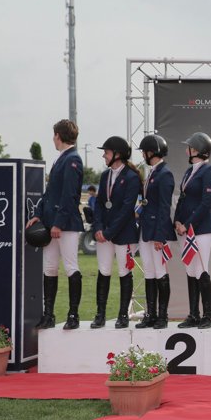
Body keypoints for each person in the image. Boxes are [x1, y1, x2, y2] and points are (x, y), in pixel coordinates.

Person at [26, 119, 84, 330]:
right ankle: (48, 315)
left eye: (54, 135)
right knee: (49, 267)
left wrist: (58, 223)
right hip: (51, 224)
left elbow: (70, 195)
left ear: (58, 136)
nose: (53, 139)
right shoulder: (60, 159)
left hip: (66, 225)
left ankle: (73, 315)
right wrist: (38, 215)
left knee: (70, 266)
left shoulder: (73, 159)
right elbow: (49, 194)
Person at [91, 136, 141, 329]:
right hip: (104, 233)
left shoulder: (131, 177)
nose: (104, 155)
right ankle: (100, 314)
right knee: (103, 271)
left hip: (123, 234)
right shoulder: (105, 176)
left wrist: (109, 232)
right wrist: (98, 228)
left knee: (124, 272)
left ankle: (123, 315)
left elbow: (127, 209)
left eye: (107, 152)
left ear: (117, 155)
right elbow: (99, 205)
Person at [174, 132, 211, 328]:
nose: (186, 151)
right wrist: (177, 220)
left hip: (201, 228)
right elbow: (182, 199)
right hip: (186, 228)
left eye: (190, 148)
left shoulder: (208, 171)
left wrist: (188, 224)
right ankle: (193, 314)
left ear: (199, 150)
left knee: (201, 269)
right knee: (190, 269)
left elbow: (205, 204)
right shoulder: (188, 171)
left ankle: (208, 316)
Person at [136, 134, 176, 329]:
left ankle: (162, 315)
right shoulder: (152, 172)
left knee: (160, 272)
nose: (143, 155)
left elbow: (164, 207)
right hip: (146, 229)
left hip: (157, 232)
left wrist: (160, 235)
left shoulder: (164, 174)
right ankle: (150, 314)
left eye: (144, 152)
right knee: (149, 272)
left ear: (151, 152)